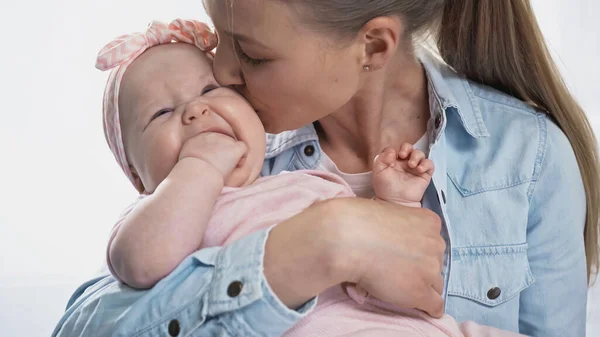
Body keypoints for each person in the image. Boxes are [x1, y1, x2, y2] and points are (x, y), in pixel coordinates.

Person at [52, 1, 599, 336]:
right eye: (220, 40)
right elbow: (86, 324)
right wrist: (317, 247)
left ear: (373, 45)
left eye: (250, 52)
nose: (217, 69)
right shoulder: (225, 153)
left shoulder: (529, 158)